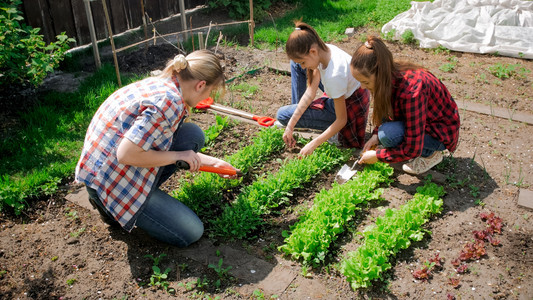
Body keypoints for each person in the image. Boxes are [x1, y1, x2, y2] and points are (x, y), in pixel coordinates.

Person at [75, 50, 238, 247]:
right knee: (192, 231)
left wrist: (213, 163)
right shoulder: (169, 102)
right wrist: (179, 155)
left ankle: (139, 199)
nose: (207, 97)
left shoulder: (164, 82)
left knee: (191, 135)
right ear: (200, 85)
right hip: (111, 184)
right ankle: (111, 210)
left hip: (100, 173)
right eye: (209, 92)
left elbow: (146, 143)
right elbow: (126, 154)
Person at [352, 36, 460, 175]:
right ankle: (417, 148)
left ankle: (430, 154)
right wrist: (375, 135)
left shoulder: (412, 91)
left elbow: (412, 148)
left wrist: (378, 156)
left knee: (387, 136)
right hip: (422, 122)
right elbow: (386, 110)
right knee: (382, 134)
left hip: (441, 132)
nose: (362, 87)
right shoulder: (389, 76)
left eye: (365, 82)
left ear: (380, 74)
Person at [276, 21, 370, 155]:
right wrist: (291, 126)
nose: (303, 67)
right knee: (294, 65)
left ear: (312, 51)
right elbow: (310, 92)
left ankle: (333, 134)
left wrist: (312, 144)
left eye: (303, 62)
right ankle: (303, 119)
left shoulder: (334, 75)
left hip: (350, 112)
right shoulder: (325, 51)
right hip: (348, 96)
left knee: (282, 115)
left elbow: (341, 120)